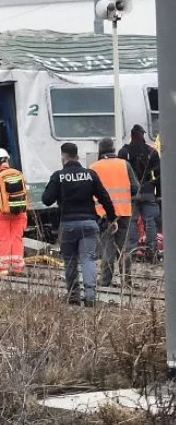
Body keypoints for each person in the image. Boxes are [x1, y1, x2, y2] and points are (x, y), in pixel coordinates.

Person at [42, 142, 116, 306]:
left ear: (63, 157)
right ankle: (90, 297)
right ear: (78, 156)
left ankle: (74, 296)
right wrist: (112, 218)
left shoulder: (58, 176)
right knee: (88, 259)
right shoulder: (90, 174)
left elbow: (46, 200)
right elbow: (105, 198)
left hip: (68, 224)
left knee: (70, 261)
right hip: (89, 224)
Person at [91, 137, 139, 287]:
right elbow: (136, 188)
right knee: (124, 248)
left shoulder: (93, 167)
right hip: (124, 212)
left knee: (107, 247)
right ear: (113, 150)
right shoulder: (124, 164)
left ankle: (105, 280)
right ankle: (127, 281)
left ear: (100, 150)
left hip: (102, 213)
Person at [118, 125, 161, 263]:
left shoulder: (124, 152)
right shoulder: (152, 152)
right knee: (151, 222)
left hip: (130, 193)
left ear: (131, 135)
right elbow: (160, 175)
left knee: (132, 222)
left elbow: (121, 174)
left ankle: (131, 252)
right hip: (148, 192)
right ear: (142, 135)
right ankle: (152, 252)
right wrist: (158, 193)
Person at [0, 148, 29, 276]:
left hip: (0, 214)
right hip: (19, 213)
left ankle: (4, 270)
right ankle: (18, 268)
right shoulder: (18, 174)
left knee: (4, 240)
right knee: (17, 238)